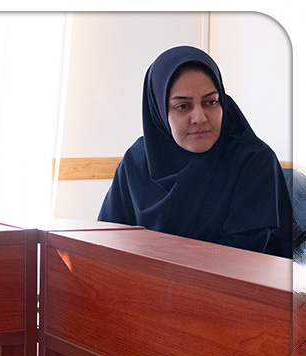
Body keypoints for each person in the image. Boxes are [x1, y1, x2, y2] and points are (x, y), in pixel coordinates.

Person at [98, 45, 292, 258]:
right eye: (183, 106)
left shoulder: (253, 161)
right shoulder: (137, 161)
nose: (200, 117)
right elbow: (107, 240)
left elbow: (239, 258)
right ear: (160, 111)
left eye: (211, 102)